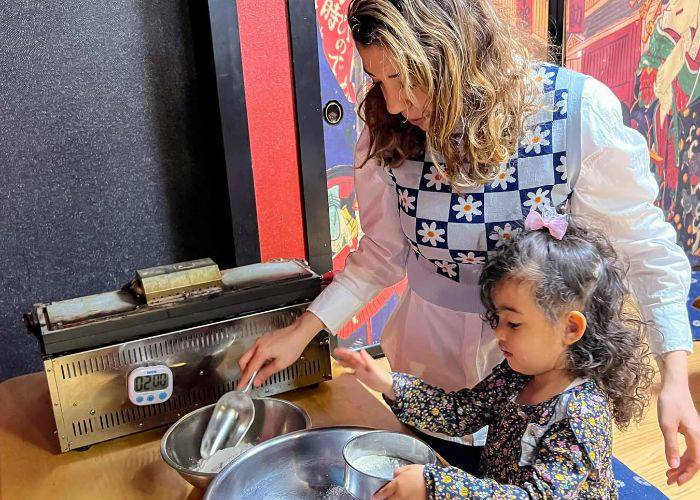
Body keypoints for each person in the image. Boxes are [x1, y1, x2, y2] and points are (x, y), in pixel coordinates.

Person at [239, 0, 698, 484]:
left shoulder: (574, 112)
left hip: (532, 370)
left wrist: (674, 374)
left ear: (453, 54)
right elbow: (382, 253)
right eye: (380, 81)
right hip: (428, 360)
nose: (393, 103)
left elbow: (647, 253)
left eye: (404, 77)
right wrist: (302, 331)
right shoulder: (390, 127)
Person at [334, 211, 655, 498]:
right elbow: (461, 412)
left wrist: (435, 485)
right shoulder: (517, 374)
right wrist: (388, 383)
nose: (499, 333)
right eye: (497, 319)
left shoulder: (580, 414)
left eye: (513, 323)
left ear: (570, 328)